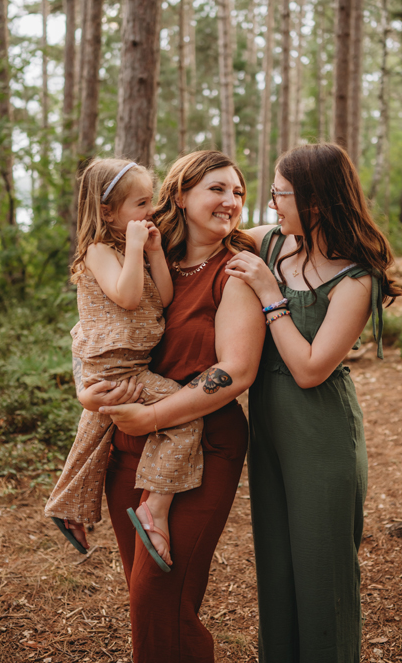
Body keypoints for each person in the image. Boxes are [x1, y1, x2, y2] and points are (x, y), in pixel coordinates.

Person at [76, 150, 265, 663]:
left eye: (238, 192)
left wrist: (154, 416)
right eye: (217, 189)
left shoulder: (234, 272)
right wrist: (87, 392)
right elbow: (92, 333)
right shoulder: (140, 259)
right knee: (144, 596)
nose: (231, 201)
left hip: (202, 442)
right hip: (128, 444)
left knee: (160, 598)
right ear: (179, 196)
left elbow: (236, 372)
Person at [225, 143, 402, 663]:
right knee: (276, 566)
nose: (271, 204)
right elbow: (205, 235)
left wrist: (270, 294)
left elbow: (309, 369)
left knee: (322, 569)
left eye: (280, 193)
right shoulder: (269, 241)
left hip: (322, 433)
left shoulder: (357, 277)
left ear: (317, 201)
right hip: (268, 430)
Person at [45, 158, 204, 570]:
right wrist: (135, 249)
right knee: (185, 416)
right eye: (141, 203)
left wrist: (153, 252)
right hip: (118, 367)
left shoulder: (130, 250)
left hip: (126, 364)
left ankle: (68, 508)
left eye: (150, 200)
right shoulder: (99, 251)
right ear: (107, 212)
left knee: (94, 436)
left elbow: (162, 299)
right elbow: (128, 297)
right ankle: (155, 506)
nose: (150, 211)